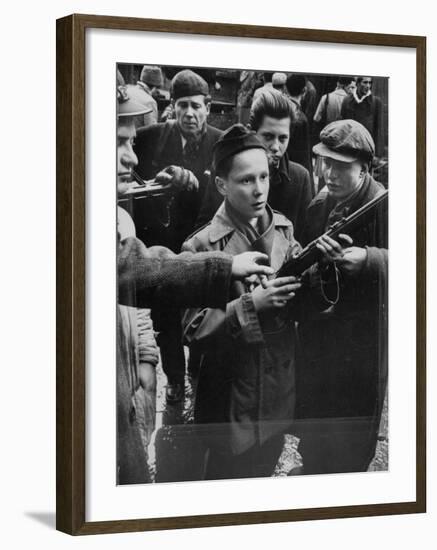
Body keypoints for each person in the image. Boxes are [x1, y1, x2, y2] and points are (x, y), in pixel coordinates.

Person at [116, 81, 274, 483]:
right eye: (120, 143)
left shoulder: (281, 227)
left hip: (266, 394)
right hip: (182, 263)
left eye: (265, 177)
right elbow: (132, 270)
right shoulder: (154, 141)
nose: (131, 158)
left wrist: (144, 357)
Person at [182, 124, 307, 480]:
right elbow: (194, 328)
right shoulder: (202, 247)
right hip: (230, 405)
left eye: (264, 177)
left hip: (277, 399)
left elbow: (300, 300)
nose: (260, 189)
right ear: (222, 185)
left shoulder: (283, 230)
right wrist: (252, 305)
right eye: (246, 180)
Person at [296, 119, 388, 475]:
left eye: (340, 166)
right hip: (321, 341)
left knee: (352, 439)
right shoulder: (318, 207)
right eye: (324, 162)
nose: (328, 173)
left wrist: (370, 260)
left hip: (363, 349)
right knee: (316, 425)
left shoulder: (386, 207)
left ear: (364, 168)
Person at [133, 69, 223, 403]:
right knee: (166, 320)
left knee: (204, 315)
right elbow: (128, 176)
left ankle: (199, 377)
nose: (189, 113)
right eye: (182, 105)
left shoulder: (221, 142)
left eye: (196, 106)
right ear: (171, 106)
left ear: (208, 107)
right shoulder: (150, 138)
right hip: (164, 248)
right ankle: (174, 378)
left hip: (203, 246)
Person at [197, 89, 312, 241]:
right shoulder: (229, 169)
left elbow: (304, 238)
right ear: (252, 132)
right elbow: (206, 228)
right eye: (268, 137)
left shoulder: (300, 178)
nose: (276, 147)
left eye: (283, 138)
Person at [340, 76, 385, 157]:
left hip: (367, 149)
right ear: (357, 83)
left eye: (370, 83)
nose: (368, 86)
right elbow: (342, 126)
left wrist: (377, 154)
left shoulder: (376, 102)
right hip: (350, 148)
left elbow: (378, 130)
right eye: (365, 82)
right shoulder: (347, 100)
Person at [285, 74, 312, 174]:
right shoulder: (300, 118)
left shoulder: (280, 109)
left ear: (286, 89)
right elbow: (304, 155)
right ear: (304, 90)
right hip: (295, 170)